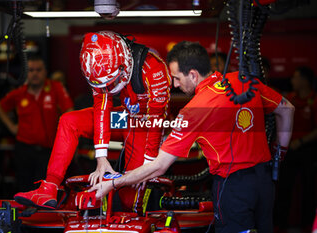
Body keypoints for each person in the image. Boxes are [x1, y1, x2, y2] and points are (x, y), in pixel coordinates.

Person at [90, 41, 295, 233]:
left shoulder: (194, 109)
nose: (175, 85)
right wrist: (280, 153)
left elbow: (159, 166)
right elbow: (287, 110)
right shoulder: (244, 82)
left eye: (177, 78)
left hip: (232, 188)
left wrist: (115, 183)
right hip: (265, 182)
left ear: (194, 75)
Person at [13, 31, 171, 214]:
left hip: (145, 125)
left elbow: (156, 121)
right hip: (125, 118)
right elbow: (102, 108)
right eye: (101, 85)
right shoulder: (96, 66)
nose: (107, 89)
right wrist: (101, 157)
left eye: (111, 83)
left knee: (130, 198)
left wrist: (148, 166)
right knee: (68, 120)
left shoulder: (153, 68)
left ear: (124, 64)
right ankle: (49, 189)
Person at [0, 55, 74, 192]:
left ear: (45, 71)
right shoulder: (19, 93)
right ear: (26, 73)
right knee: (24, 187)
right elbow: (0, 108)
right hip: (24, 149)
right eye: (31, 70)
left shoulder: (55, 88)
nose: (35, 74)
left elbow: (70, 111)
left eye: (38, 70)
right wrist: (12, 127)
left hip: (49, 150)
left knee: (46, 189)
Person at [275, 66, 317, 232]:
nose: (292, 80)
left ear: (305, 80)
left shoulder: (315, 100)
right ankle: (280, 226)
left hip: (308, 151)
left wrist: (300, 141)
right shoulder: (289, 98)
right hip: (289, 150)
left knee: (309, 189)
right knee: (283, 188)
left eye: (295, 77)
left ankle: (308, 226)